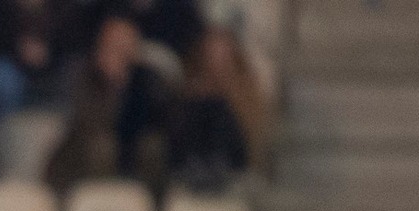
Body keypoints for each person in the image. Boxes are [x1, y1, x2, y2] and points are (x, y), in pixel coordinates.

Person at [45, 14, 169, 193]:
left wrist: (130, 84)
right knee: (102, 147)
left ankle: (146, 208)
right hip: (79, 149)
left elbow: (159, 119)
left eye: (128, 41)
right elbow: (86, 121)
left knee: (153, 147)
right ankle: (99, 204)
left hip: (130, 147)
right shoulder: (80, 72)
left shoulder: (147, 78)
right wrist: (111, 86)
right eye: (116, 41)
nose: (123, 47)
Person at [166, 26, 266, 192]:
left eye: (222, 53)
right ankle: (197, 165)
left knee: (219, 108)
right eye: (212, 53)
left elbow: (249, 131)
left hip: (232, 159)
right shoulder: (190, 89)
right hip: (191, 160)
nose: (217, 59)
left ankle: (216, 163)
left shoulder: (247, 90)